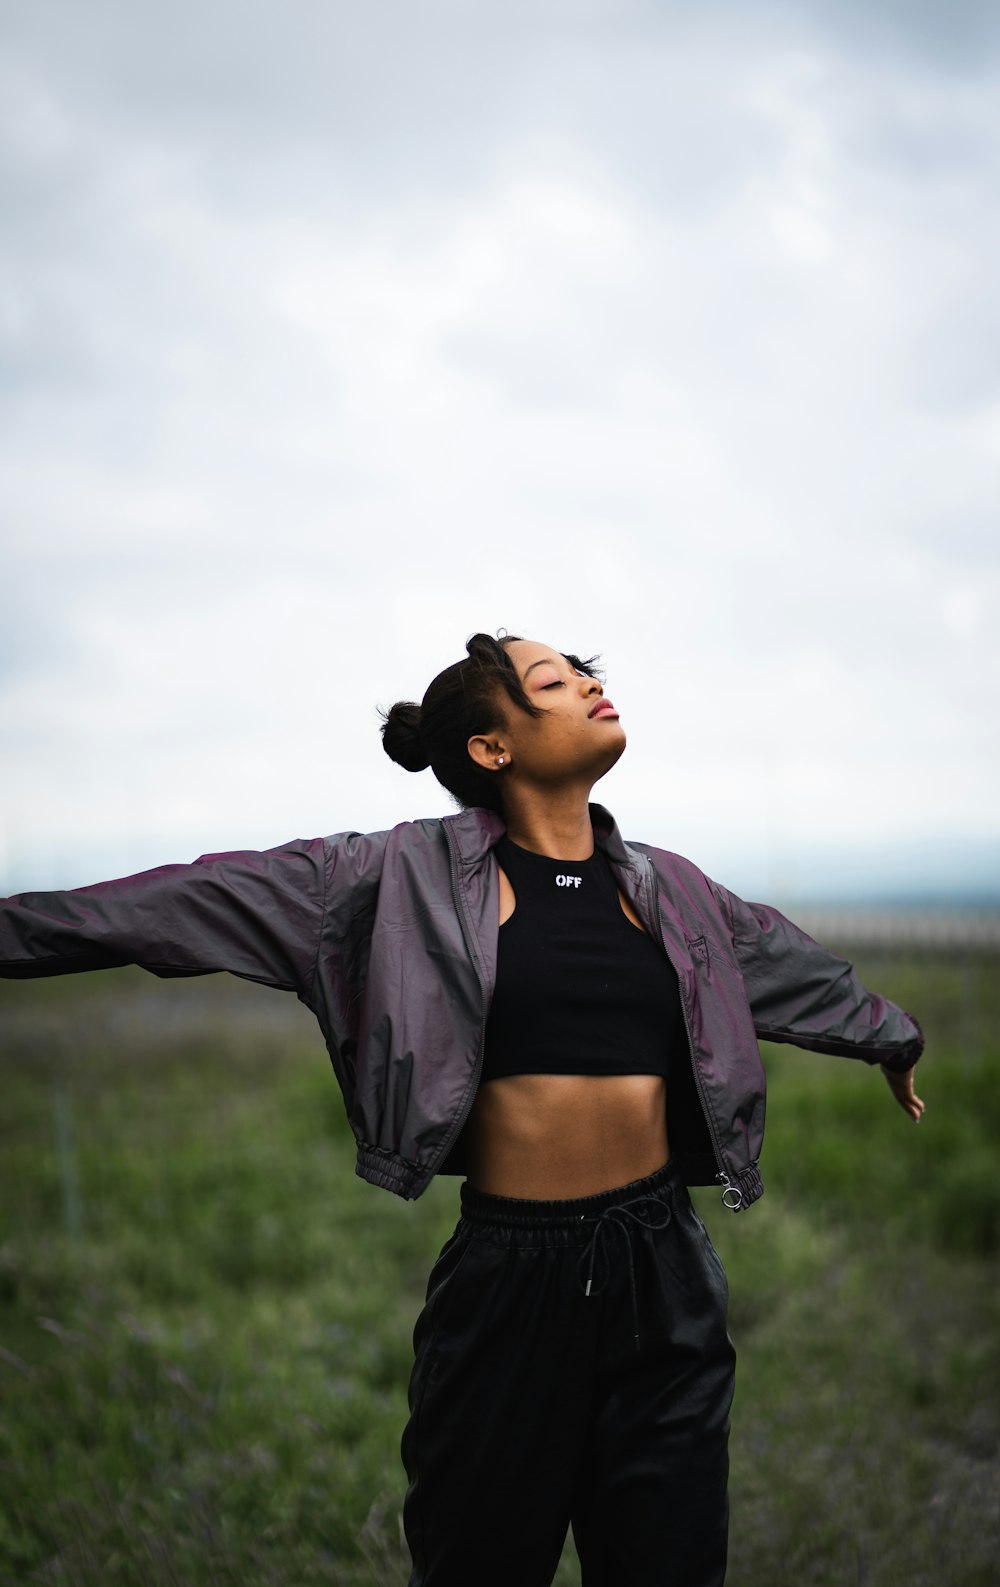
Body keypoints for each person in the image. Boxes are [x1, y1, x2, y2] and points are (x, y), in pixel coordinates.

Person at [0, 631, 924, 1587]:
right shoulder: (389, 877)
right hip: (509, 1281)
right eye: (556, 682)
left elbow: (789, 963)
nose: (593, 687)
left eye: (589, 673)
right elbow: (181, 901)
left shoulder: (672, 890)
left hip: (664, 1269)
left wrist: (892, 1036)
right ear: (493, 747)